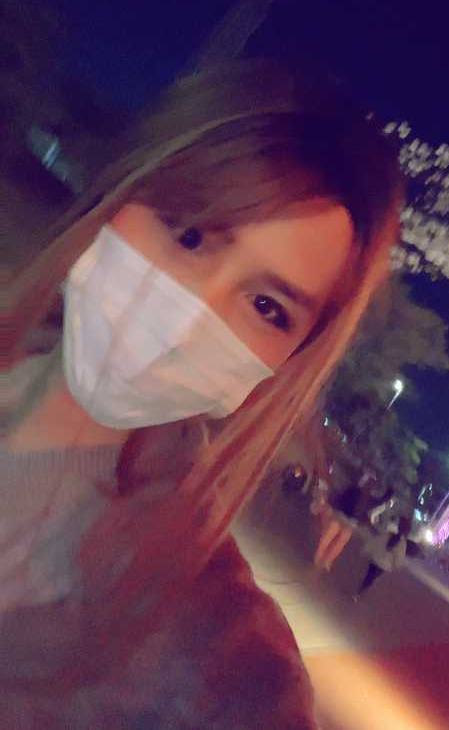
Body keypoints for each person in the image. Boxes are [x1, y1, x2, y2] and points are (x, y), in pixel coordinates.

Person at [3, 59, 402, 727]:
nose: (188, 321)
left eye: (267, 307)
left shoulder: (224, 668)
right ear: (117, 195)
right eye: (188, 234)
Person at [354, 516, 412, 600]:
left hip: (376, 559)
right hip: (384, 565)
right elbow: (399, 557)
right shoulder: (402, 543)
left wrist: (366, 550)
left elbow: (376, 541)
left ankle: (358, 591)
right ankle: (359, 592)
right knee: (371, 578)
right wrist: (396, 566)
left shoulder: (389, 534)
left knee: (369, 575)